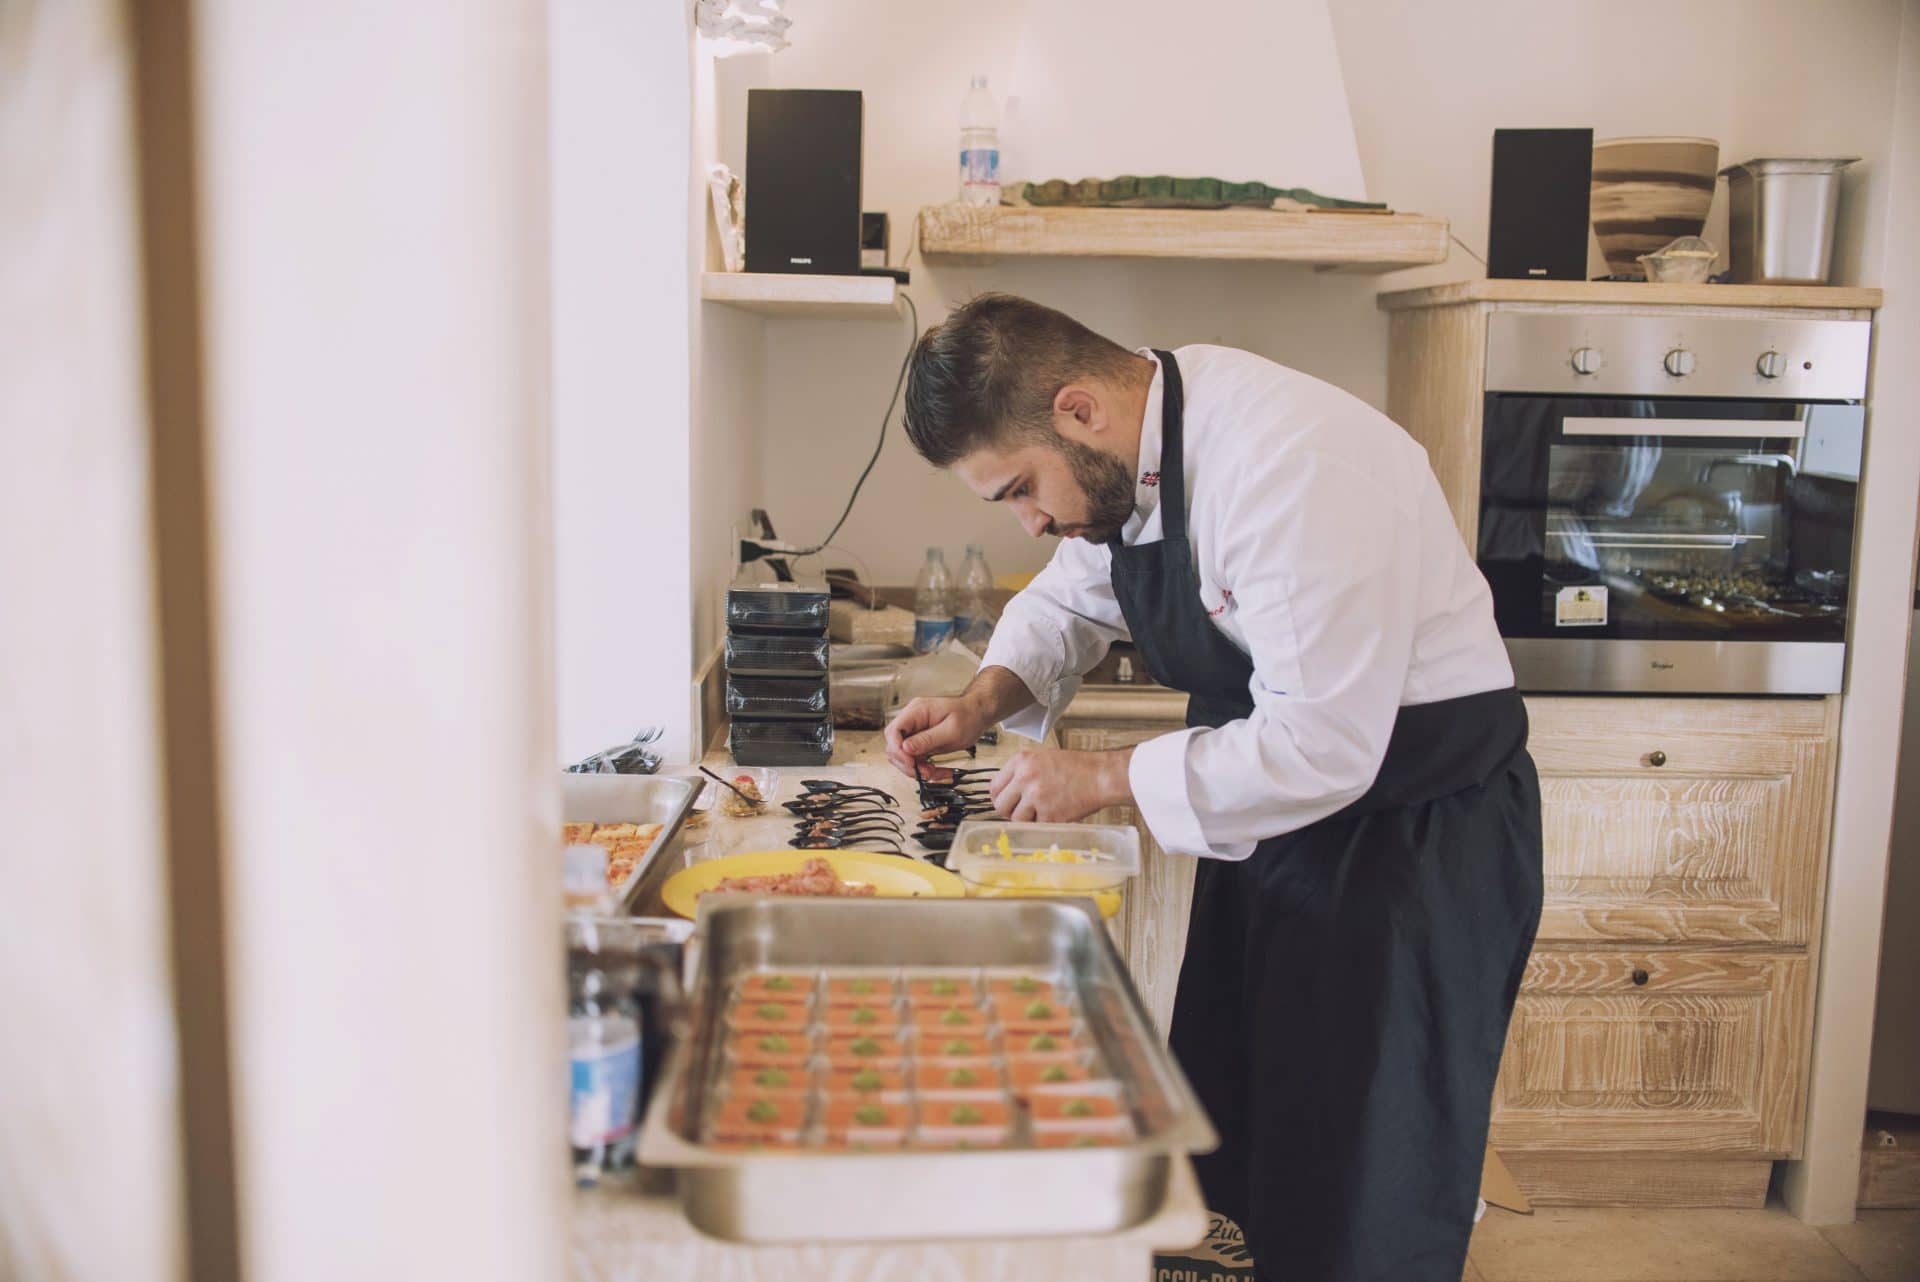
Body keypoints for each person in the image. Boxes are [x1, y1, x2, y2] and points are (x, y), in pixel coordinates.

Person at [882, 293, 1543, 1282]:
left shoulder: (1291, 467)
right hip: (1280, 831)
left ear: (1076, 410)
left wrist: (1102, 775)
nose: (1031, 521)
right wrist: (980, 701)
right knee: (1265, 1121)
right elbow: (1070, 599)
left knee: (1368, 1170)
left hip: (1411, 841)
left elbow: (1323, 743)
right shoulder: (1140, 449)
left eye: (1021, 489)